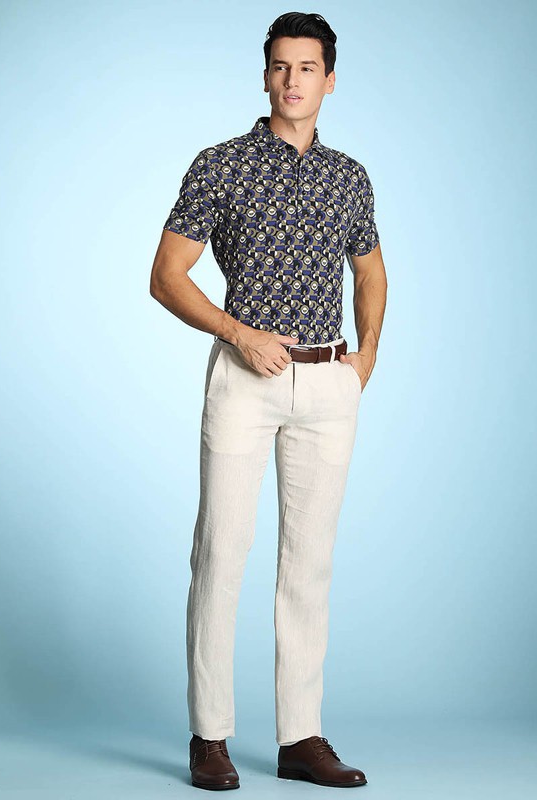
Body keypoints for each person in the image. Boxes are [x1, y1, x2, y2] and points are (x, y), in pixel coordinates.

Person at [150, 11, 387, 791]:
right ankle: (209, 736)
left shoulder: (349, 176)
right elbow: (167, 276)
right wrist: (238, 333)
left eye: (307, 67)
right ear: (265, 76)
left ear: (329, 80)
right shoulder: (219, 166)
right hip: (243, 378)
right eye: (281, 66)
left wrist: (365, 357)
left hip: (326, 383)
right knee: (221, 551)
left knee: (309, 564)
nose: (293, 80)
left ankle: (301, 738)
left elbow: (370, 269)